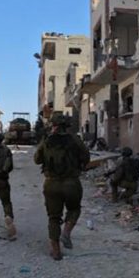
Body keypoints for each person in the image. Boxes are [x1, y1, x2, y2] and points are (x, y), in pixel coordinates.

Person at [34, 112, 90, 261]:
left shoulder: (47, 140)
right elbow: (86, 157)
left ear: (53, 125)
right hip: (72, 182)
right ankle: (66, 231)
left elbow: (37, 160)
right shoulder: (75, 139)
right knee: (74, 209)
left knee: (53, 217)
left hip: (51, 183)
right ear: (67, 126)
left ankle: (56, 251)